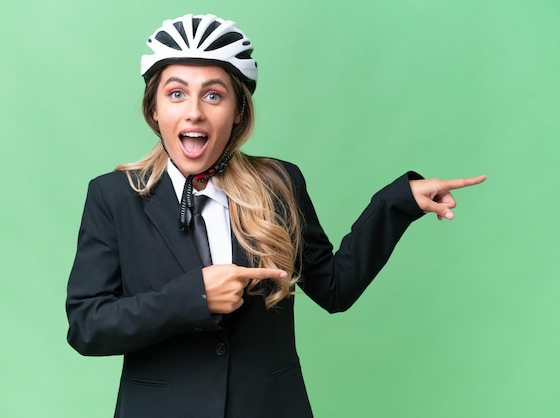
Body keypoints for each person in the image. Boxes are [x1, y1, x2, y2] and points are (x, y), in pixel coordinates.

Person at [65, 13, 486, 418]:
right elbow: (87, 326)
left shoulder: (279, 184)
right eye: (176, 93)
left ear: (238, 112)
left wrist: (397, 204)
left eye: (214, 94)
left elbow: (334, 289)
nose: (194, 111)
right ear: (154, 110)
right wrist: (193, 298)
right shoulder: (113, 196)